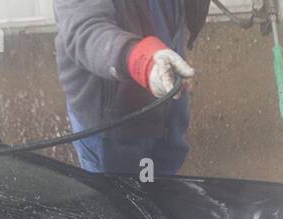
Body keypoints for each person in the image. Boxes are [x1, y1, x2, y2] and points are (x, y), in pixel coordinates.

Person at [53, 0, 211, 176]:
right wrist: (143, 63)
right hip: (114, 122)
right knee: (119, 197)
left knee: (160, 188)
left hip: (169, 103)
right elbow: (85, 29)